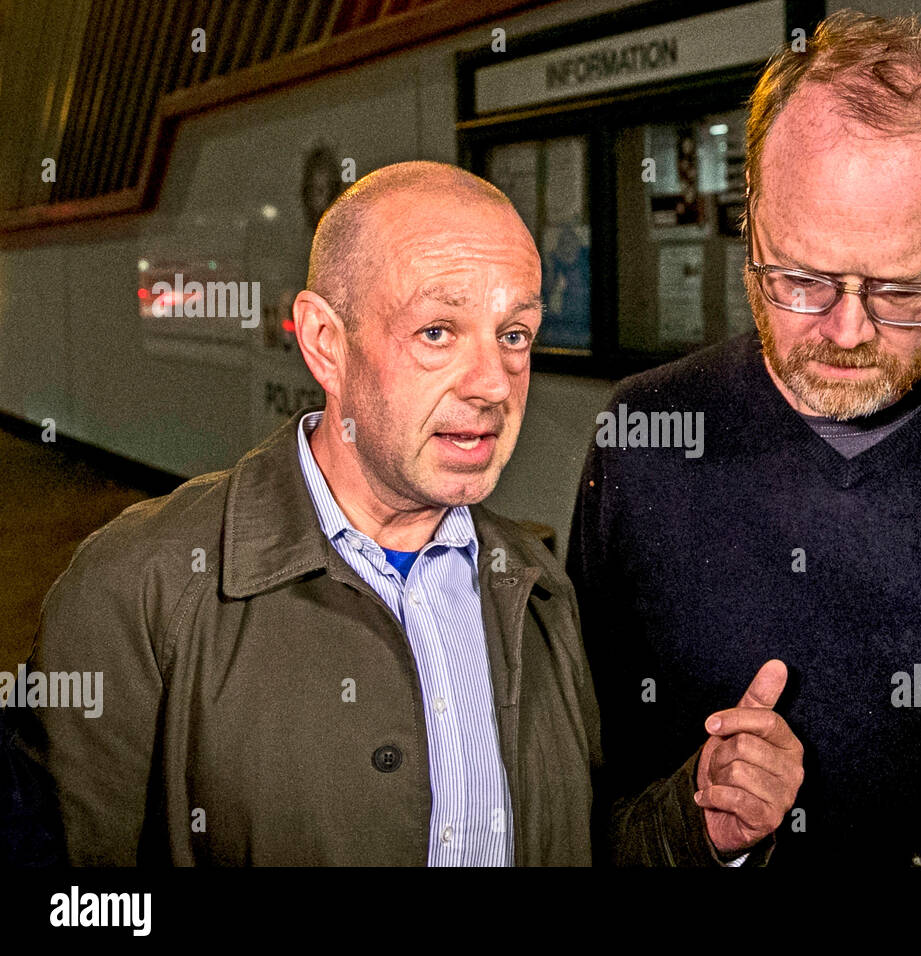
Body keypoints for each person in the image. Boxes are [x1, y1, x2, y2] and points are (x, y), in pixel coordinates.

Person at [570, 12, 921, 867]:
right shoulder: (644, 438)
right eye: (798, 277)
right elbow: (575, 804)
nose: (845, 330)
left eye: (905, 291)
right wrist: (702, 825)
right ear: (749, 219)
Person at [11, 161, 599, 865]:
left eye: (514, 334)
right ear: (325, 341)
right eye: (438, 332)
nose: (493, 385)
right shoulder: (137, 588)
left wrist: (699, 828)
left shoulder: (538, 588)